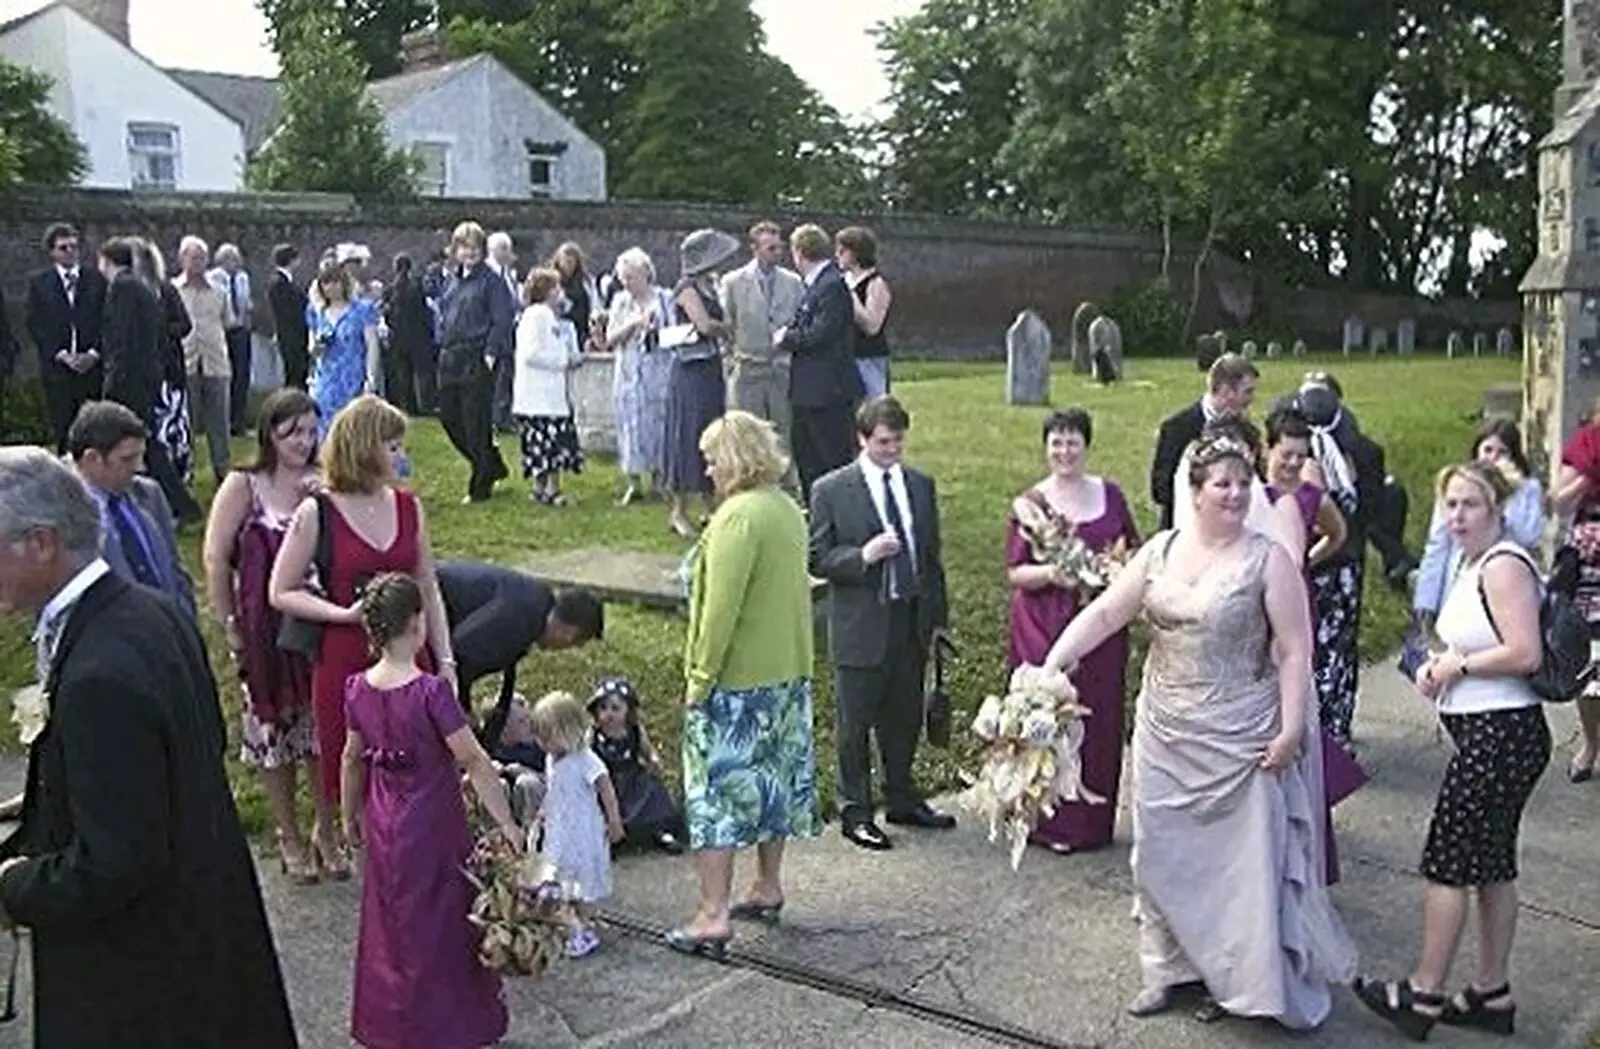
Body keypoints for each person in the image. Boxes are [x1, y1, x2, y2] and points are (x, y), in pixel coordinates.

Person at [1043, 429, 1357, 1027]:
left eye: (1243, 483)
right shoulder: (1159, 551)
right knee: (1162, 856)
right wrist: (1053, 662)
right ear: (1195, 490)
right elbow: (1109, 610)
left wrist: (1291, 728)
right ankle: (1167, 971)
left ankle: (1235, 981)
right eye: (1223, 484)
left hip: (1241, 736)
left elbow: (1294, 651)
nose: (1236, 494)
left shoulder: (1268, 561)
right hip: (1165, 731)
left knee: (1236, 870)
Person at [0, 446, 297, 1048]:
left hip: (137, 982)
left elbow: (117, 860)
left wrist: (14, 883)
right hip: (204, 939)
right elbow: (190, 750)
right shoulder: (153, 614)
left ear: (42, 542)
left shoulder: (98, 675)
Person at [1353, 462, 1550, 1041]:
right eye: (1452, 505)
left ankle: (1424, 994)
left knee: (1447, 866)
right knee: (1490, 865)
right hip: (1494, 732)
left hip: (1500, 734)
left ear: (1497, 509)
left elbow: (1525, 652)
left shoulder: (1504, 565)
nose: (1458, 516)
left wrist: (1457, 665)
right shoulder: (1473, 564)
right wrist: (1440, 667)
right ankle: (1492, 992)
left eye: (1471, 504)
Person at [270, 396, 455, 863]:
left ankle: (407, 852)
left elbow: (428, 586)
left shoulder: (410, 507)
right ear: (363, 448)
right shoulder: (319, 512)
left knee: (420, 763)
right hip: (346, 654)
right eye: (391, 446)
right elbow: (281, 589)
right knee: (351, 759)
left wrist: (445, 659)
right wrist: (341, 613)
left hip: (410, 656)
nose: (400, 456)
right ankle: (343, 835)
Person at [341, 572, 518, 1049]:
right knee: (441, 923)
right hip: (433, 823)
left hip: (382, 819)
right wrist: (506, 822)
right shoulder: (431, 693)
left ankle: (390, 1023)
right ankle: (449, 1025)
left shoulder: (356, 688)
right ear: (418, 625)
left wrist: (348, 815)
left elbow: (352, 758)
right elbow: (474, 760)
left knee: (390, 921)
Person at [670, 410, 819, 955]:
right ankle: (768, 884)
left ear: (733, 459)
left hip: (737, 683)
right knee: (774, 785)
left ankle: (712, 913)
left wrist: (699, 681)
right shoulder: (787, 509)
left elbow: (719, 613)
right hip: (787, 672)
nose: (707, 470)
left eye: (712, 459)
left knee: (714, 798)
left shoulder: (736, 518)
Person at [811, 395, 954, 851]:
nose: (893, 449)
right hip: (860, 624)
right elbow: (817, 557)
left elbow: (931, 558)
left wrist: (938, 620)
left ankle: (902, 796)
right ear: (862, 439)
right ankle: (855, 808)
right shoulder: (832, 490)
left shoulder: (919, 485)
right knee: (856, 723)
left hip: (908, 619)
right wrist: (863, 556)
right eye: (884, 442)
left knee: (903, 716)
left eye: (898, 441)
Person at [203, 387, 329, 885]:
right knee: (274, 733)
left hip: (316, 626)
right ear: (269, 434)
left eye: (310, 429)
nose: (303, 440)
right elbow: (215, 556)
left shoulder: (323, 481)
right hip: (262, 631)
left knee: (321, 732)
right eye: (291, 431)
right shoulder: (245, 484)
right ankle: (288, 834)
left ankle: (326, 827)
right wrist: (229, 621)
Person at [1004, 408, 1139, 853]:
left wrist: (1113, 573)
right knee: (1050, 715)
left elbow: (1133, 554)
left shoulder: (1111, 495)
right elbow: (1015, 572)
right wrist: (1052, 575)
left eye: (1072, 442)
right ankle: (1047, 822)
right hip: (1044, 624)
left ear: (1086, 445)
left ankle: (1093, 823)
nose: (1064, 451)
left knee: (1097, 718)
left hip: (1101, 627)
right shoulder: (1031, 504)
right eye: (1056, 443)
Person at [1261, 406, 1367, 885]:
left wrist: (1306, 558)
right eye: (1285, 454)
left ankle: (1306, 835)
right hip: (1255, 611)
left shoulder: (1309, 495)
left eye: (1301, 456)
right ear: (1267, 450)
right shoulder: (1248, 496)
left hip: (1297, 609)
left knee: (1299, 712)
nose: (1292, 465)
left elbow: (1338, 534)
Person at [434, 559, 604, 745]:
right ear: (570, 634)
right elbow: (457, 654)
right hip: (420, 604)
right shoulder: (520, 624)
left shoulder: (536, 603)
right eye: (575, 643)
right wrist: (462, 708)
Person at [1295, 382, 1374, 748]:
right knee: (1342, 653)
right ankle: (1339, 733)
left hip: (1321, 571)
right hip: (1349, 571)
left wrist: (1303, 561)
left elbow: (1317, 524)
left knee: (1320, 657)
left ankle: (1323, 740)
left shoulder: (1307, 465)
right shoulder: (1360, 453)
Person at [66, 400, 195, 619]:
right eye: (127, 459)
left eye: (140, 456)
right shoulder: (65, 514)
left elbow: (175, 568)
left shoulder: (149, 494)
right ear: (92, 459)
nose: (139, 467)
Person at [1413, 420, 1544, 628]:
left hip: (1504, 584)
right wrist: (1425, 604)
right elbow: (1437, 546)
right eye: (1488, 450)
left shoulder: (1527, 489)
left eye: (1502, 452)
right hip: (1460, 580)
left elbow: (1528, 535)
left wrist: (1502, 497)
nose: (1493, 458)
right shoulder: (1457, 486)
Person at [528, 690, 623, 958]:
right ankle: (575, 924)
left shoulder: (585, 760)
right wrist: (544, 810)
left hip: (582, 831)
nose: (542, 744)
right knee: (559, 879)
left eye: (547, 737)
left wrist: (614, 820)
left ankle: (581, 925)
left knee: (581, 880)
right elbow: (554, 787)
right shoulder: (552, 759)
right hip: (560, 830)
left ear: (568, 731)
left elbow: (606, 788)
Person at [780, 224, 863, 501]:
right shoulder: (816, 285)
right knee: (807, 456)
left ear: (799, 252)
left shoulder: (831, 285)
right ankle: (816, 511)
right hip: (808, 390)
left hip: (827, 391)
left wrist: (786, 337)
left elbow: (821, 332)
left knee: (830, 457)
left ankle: (838, 513)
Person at [665, 229, 736, 537]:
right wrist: (731, 328)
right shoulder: (686, 287)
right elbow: (703, 324)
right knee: (688, 433)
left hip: (710, 367)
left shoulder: (711, 284)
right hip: (689, 370)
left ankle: (711, 504)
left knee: (712, 431)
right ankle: (679, 510)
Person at [438, 221, 515, 504]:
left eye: (475, 247)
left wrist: (491, 353)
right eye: (464, 247)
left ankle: (480, 483)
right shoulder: (452, 280)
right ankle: (491, 463)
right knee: (449, 417)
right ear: (455, 250)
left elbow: (502, 318)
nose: (470, 253)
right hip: (450, 356)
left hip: (477, 355)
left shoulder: (491, 281)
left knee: (475, 422)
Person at [720, 221, 804, 471]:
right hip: (748, 369)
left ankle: (785, 487)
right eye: (770, 248)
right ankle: (748, 482)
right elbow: (727, 324)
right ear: (754, 249)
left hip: (781, 370)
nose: (777, 253)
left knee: (782, 432)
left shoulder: (793, 282)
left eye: (779, 248)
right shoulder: (732, 282)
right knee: (747, 433)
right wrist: (731, 360)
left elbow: (800, 320)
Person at [1149, 352, 1258, 531]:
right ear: (1225, 390)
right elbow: (1160, 489)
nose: (1252, 399)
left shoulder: (1247, 432)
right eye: (1247, 391)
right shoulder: (1176, 428)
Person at [26, 223, 108, 453]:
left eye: (74, 246)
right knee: (64, 427)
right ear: (52, 252)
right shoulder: (40, 284)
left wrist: (93, 354)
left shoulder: (96, 280)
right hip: (59, 370)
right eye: (64, 248)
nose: (70, 251)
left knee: (93, 429)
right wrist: (61, 354)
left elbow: (106, 321)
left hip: (91, 368)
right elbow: (37, 325)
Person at [606, 247, 674, 505]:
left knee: (657, 423)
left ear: (646, 273)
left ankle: (658, 479)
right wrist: (632, 324)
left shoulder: (663, 298)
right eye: (623, 278)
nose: (627, 283)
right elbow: (610, 339)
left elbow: (673, 333)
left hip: (657, 370)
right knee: (629, 425)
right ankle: (633, 482)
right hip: (627, 371)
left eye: (631, 277)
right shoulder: (620, 302)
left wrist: (654, 328)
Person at [513, 267, 586, 507]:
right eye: (555, 287)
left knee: (548, 444)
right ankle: (549, 489)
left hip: (547, 394)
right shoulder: (538, 315)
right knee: (547, 444)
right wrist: (562, 361)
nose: (560, 292)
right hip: (539, 395)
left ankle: (544, 488)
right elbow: (532, 353)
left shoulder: (545, 316)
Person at [588, 676, 684, 854]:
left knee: (652, 788)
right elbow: (586, 757)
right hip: (607, 782)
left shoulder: (634, 731)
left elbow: (647, 751)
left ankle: (660, 829)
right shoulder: (594, 735)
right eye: (603, 708)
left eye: (615, 708)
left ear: (628, 711)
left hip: (631, 777)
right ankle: (610, 835)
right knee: (599, 802)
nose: (609, 714)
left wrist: (654, 760)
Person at [1557, 402, 1600, 782]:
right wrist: (1587, 476)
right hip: (1591, 575)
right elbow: (1557, 503)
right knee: (1590, 669)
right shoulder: (1585, 444)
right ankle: (1590, 744)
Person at [177, 235, 236, 486]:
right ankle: (185, 470)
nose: (199, 263)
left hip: (216, 363)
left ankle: (222, 471)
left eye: (202, 258)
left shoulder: (220, 292)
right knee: (186, 422)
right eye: (193, 257)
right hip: (186, 363)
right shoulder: (173, 290)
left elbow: (229, 322)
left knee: (219, 422)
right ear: (182, 259)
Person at [307, 259, 379, 441]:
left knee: (354, 430)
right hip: (326, 379)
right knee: (325, 430)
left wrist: (371, 378)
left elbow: (371, 344)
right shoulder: (317, 312)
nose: (331, 288)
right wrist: (317, 346)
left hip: (353, 377)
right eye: (325, 283)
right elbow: (312, 348)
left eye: (335, 282)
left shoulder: (362, 310)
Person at [836, 226, 893, 398]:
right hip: (844, 355)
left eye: (842, 250)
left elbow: (872, 326)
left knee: (873, 407)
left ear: (855, 253)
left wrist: (850, 295)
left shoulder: (876, 284)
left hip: (868, 356)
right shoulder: (840, 280)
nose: (837, 255)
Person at [382, 253, 437, 415]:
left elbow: (387, 315)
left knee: (403, 373)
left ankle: (407, 405)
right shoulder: (416, 288)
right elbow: (424, 312)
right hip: (418, 337)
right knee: (421, 373)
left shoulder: (390, 290)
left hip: (398, 339)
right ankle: (424, 405)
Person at [209, 243, 254, 435]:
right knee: (225, 375)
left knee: (241, 375)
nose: (234, 262)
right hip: (222, 330)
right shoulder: (214, 278)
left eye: (236, 258)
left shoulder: (243, 278)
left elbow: (246, 302)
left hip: (241, 330)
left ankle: (239, 421)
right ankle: (222, 421)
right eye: (230, 258)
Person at [269, 244, 311, 391]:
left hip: (293, 336)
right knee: (294, 375)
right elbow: (290, 313)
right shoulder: (279, 284)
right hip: (290, 337)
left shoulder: (286, 282)